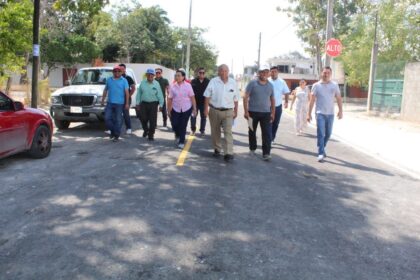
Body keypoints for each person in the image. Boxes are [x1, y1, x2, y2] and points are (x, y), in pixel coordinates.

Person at [203, 64, 239, 162]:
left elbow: (236, 99)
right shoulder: (213, 81)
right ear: (218, 72)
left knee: (228, 132)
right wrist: (206, 109)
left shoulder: (233, 83)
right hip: (214, 110)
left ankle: (228, 152)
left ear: (228, 71)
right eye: (221, 71)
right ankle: (217, 148)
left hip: (228, 111)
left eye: (225, 71)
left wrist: (236, 111)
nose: (223, 73)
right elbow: (207, 96)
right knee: (215, 131)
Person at [307, 66, 343, 162]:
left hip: (330, 114)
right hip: (320, 113)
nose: (326, 74)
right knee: (321, 134)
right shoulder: (316, 85)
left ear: (330, 74)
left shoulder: (334, 85)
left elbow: (339, 98)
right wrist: (308, 113)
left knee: (328, 134)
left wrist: (340, 111)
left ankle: (322, 147)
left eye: (328, 73)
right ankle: (320, 153)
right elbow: (312, 100)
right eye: (324, 72)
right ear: (321, 73)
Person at [243, 66, 275, 161]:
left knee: (267, 134)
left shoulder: (270, 85)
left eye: (266, 72)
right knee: (252, 131)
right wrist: (246, 111)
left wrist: (273, 113)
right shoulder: (252, 83)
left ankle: (266, 153)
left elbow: (272, 100)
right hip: (252, 112)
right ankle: (252, 148)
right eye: (262, 72)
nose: (264, 74)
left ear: (268, 73)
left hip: (266, 113)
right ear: (259, 73)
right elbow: (245, 97)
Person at [167, 69, 197, 149]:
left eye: (179, 75)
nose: (177, 77)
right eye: (176, 75)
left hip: (186, 108)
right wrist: (168, 110)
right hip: (175, 108)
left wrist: (194, 109)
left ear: (183, 77)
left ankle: (181, 141)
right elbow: (169, 99)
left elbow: (192, 97)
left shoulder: (188, 86)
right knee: (174, 124)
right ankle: (177, 134)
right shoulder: (172, 86)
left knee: (183, 125)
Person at [101, 65, 129, 142]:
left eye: (118, 71)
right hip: (110, 103)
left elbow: (127, 93)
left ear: (121, 72)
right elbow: (105, 90)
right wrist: (103, 100)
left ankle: (116, 135)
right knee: (107, 118)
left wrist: (127, 103)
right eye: (115, 71)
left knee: (118, 119)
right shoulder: (109, 80)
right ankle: (113, 131)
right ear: (113, 72)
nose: (117, 72)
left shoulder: (124, 80)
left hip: (120, 104)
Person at [135, 68, 164, 141]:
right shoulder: (142, 82)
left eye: (152, 75)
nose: (150, 76)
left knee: (152, 120)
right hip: (144, 104)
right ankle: (146, 130)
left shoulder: (156, 84)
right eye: (148, 74)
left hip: (153, 104)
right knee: (142, 118)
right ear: (146, 75)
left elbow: (160, 95)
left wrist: (161, 105)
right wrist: (137, 103)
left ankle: (151, 134)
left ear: (154, 76)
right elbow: (139, 94)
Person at [269, 66, 290, 143]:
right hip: (268, 107)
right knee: (268, 123)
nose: (273, 73)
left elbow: (286, 92)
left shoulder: (282, 82)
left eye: (275, 71)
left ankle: (272, 137)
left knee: (275, 123)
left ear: (277, 72)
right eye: (272, 71)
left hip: (278, 106)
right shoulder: (267, 81)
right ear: (270, 72)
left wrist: (286, 102)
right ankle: (269, 137)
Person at [190, 67, 210, 136]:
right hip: (194, 103)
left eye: (203, 73)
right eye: (200, 72)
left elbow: (210, 93)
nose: (201, 74)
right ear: (198, 73)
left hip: (204, 103)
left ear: (205, 73)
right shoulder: (193, 81)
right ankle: (193, 129)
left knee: (203, 117)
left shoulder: (208, 81)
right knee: (193, 117)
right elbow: (190, 92)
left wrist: (208, 104)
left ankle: (202, 131)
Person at [119, 63, 136, 134]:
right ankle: (116, 129)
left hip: (126, 99)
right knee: (117, 114)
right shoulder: (116, 77)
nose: (121, 70)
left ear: (125, 69)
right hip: (118, 99)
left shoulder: (128, 78)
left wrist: (129, 96)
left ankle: (128, 128)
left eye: (123, 69)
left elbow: (133, 88)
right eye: (120, 69)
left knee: (126, 114)